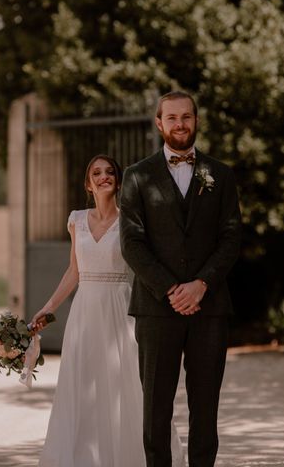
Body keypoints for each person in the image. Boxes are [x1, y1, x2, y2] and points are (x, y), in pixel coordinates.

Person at [31, 154, 185, 467]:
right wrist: (46, 310)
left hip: (120, 309)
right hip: (85, 312)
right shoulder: (76, 219)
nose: (104, 176)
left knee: (130, 384)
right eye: (97, 173)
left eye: (110, 172)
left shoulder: (131, 218)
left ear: (117, 181)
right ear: (88, 184)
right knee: (84, 384)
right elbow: (73, 272)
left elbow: (146, 264)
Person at [120, 91, 242, 467]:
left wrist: (202, 284)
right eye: (171, 118)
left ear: (196, 120)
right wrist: (172, 290)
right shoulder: (136, 176)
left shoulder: (220, 175)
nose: (179, 125)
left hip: (210, 308)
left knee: (205, 407)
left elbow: (231, 236)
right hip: (157, 309)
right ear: (159, 123)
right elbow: (131, 243)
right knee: (156, 409)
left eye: (186, 117)